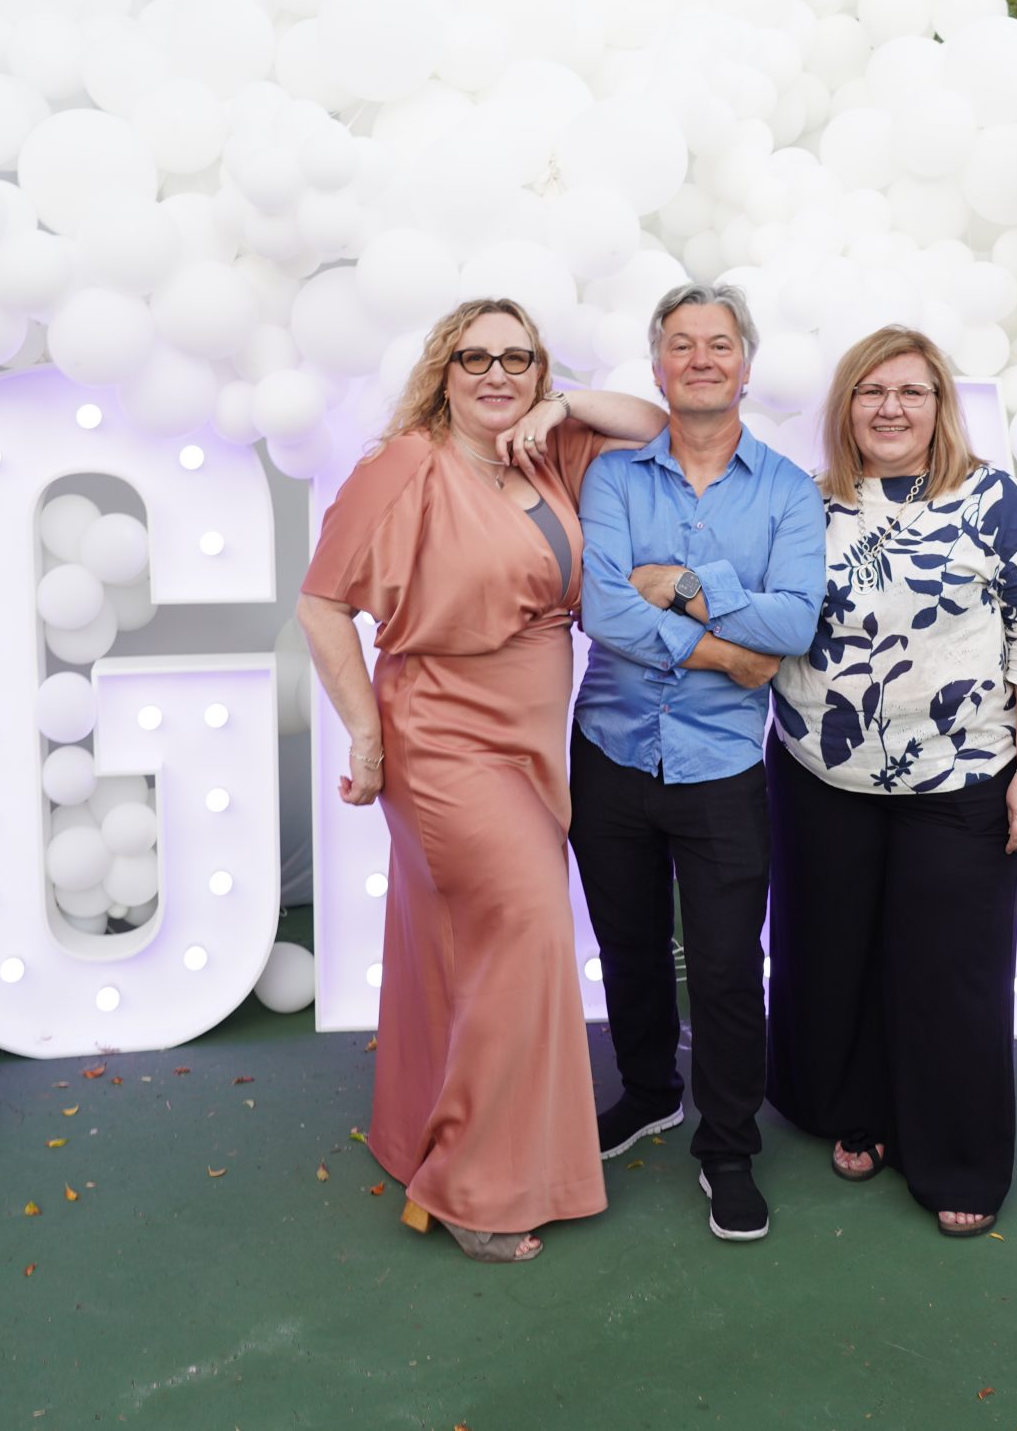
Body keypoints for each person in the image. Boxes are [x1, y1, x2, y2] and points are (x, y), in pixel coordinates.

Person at [299, 297, 667, 1265]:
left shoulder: (547, 456)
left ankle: (420, 1131)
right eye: (476, 358)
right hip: (441, 736)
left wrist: (564, 405)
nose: (497, 374)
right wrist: (366, 737)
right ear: (442, 371)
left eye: (518, 358)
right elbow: (321, 603)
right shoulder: (404, 466)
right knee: (526, 931)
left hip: (533, 742)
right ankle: (470, 1188)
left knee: (453, 945)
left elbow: (655, 426)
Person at [765, 326, 1017, 1239]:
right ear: (845, 406)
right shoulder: (805, 505)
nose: (890, 408)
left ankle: (957, 1156)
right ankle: (857, 1112)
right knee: (835, 955)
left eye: (911, 391)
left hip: (962, 778)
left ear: (941, 404)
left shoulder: (1001, 503)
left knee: (950, 972)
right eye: (871, 391)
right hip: (821, 772)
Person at [572, 282, 825, 1244]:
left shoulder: (788, 491)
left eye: (719, 343)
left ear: (745, 366)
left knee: (724, 966)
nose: (701, 358)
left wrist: (676, 584)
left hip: (721, 767)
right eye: (681, 344)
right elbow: (602, 608)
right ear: (657, 367)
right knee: (627, 943)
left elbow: (792, 624)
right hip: (609, 750)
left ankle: (727, 1146)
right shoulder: (613, 478)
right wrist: (723, 644)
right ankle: (648, 1092)